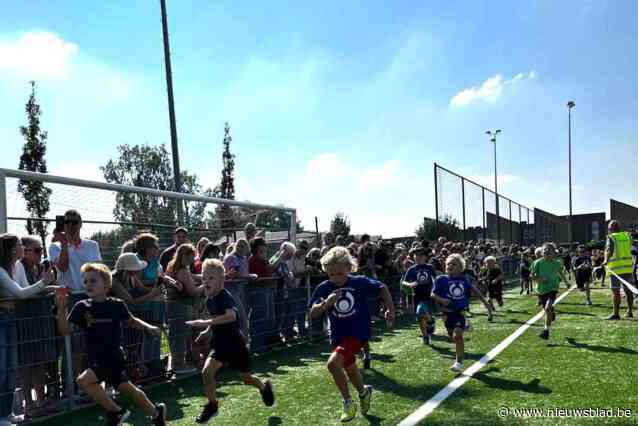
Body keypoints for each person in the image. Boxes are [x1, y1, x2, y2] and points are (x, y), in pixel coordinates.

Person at [54, 263, 167, 425]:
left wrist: (149, 327)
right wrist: (61, 309)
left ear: (106, 284)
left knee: (83, 381)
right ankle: (156, 412)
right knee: (128, 389)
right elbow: (65, 330)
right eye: (85, 282)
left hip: (113, 355)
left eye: (93, 281)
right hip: (96, 357)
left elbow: (132, 321)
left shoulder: (117, 304)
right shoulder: (81, 307)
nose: (88, 285)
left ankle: (116, 411)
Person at [309, 247, 395, 422]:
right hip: (338, 335)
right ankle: (364, 393)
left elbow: (382, 288)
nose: (335, 278)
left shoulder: (359, 282)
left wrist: (390, 310)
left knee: (333, 365)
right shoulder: (324, 287)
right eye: (331, 274)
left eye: (339, 273)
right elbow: (312, 313)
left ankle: (348, 402)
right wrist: (325, 304)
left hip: (358, 333)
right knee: (351, 370)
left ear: (349, 268)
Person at [186, 259, 274, 423]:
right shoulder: (209, 299)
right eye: (204, 278)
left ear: (221, 280)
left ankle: (263, 387)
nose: (206, 282)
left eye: (211, 278)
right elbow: (216, 320)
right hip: (219, 345)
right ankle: (212, 406)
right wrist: (206, 331)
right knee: (206, 372)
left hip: (235, 345)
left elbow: (231, 316)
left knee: (247, 379)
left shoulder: (224, 296)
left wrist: (205, 323)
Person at [0, 234, 56, 426]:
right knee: (3, 368)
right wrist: (44, 282)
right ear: (11, 249)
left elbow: (25, 289)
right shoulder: (1, 270)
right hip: (2, 319)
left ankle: (6, 414)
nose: (22, 248)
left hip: (10, 318)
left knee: (10, 367)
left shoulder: (15, 267)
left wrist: (50, 286)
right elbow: (20, 293)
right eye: (18, 245)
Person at [16, 236, 59, 418]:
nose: (41, 254)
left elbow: (39, 289)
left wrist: (53, 286)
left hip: (41, 321)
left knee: (40, 364)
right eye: (36, 250)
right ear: (24, 251)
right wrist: (48, 286)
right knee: (27, 365)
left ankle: (40, 401)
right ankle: (29, 404)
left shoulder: (40, 268)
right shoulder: (18, 268)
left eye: (41, 249)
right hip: (25, 322)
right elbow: (22, 292)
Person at [432, 254, 491, 372]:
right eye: (448, 263)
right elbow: (432, 294)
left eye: (454, 264)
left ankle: (459, 362)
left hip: (459, 312)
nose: (450, 266)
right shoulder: (440, 279)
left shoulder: (464, 280)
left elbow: (475, 290)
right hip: (446, 314)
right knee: (452, 336)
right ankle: (465, 326)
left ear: (461, 268)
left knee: (457, 335)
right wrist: (441, 300)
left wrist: (486, 303)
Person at [166, 244, 204, 375]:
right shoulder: (182, 270)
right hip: (180, 307)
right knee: (180, 336)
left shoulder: (174, 267)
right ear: (186, 255)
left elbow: (192, 276)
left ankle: (179, 363)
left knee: (177, 335)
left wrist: (203, 277)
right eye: (192, 255)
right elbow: (193, 292)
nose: (193, 258)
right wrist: (206, 284)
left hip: (175, 306)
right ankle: (179, 365)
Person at [48, 209, 102, 292]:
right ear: (63, 224)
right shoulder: (54, 247)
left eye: (75, 222)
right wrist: (64, 244)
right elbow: (62, 268)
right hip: (68, 294)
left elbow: (99, 271)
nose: (70, 225)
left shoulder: (92, 245)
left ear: (80, 224)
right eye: (67, 222)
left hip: (90, 293)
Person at [531, 243, 568, 340]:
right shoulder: (537, 263)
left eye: (549, 251)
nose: (547, 252)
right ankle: (552, 312)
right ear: (541, 252)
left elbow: (560, 273)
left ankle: (546, 331)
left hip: (553, 288)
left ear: (553, 253)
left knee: (547, 308)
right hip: (541, 290)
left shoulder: (557, 263)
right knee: (547, 310)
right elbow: (532, 277)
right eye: (545, 251)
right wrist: (539, 279)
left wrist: (566, 282)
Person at [402, 246, 437, 345]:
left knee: (420, 312)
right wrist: (409, 284)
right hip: (416, 295)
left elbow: (436, 279)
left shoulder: (429, 267)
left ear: (425, 257)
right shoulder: (412, 269)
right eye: (416, 255)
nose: (418, 257)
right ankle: (425, 336)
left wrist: (436, 288)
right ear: (413, 257)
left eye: (421, 255)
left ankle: (430, 322)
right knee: (419, 317)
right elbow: (404, 282)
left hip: (428, 295)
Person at [604, 220, 635, 320]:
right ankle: (630, 311)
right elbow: (631, 249)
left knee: (615, 291)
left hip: (615, 269)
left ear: (611, 229)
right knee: (628, 290)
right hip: (627, 268)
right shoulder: (627, 236)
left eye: (609, 229)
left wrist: (605, 261)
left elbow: (609, 250)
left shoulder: (611, 237)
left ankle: (616, 314)